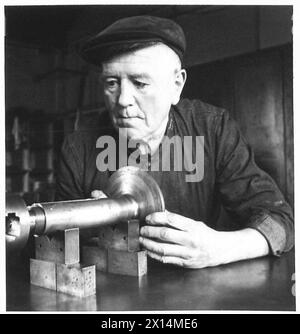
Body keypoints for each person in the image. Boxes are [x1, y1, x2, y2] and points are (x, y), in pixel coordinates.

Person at [56, 15, 294, 269]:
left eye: (140, 83)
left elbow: (282, 223)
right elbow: (56, 244)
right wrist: (92, 235)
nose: (123, 99)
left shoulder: (212, 130)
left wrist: (219, 248)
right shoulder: (78, 148)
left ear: (176, 86)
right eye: (112, 83)